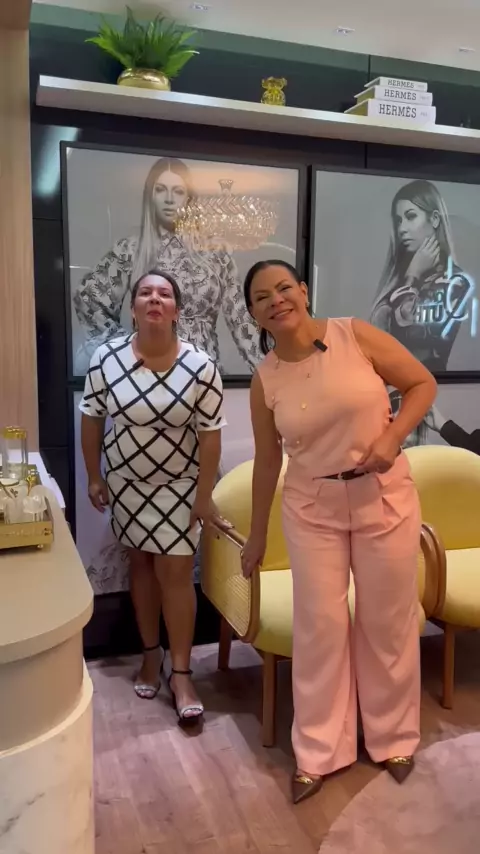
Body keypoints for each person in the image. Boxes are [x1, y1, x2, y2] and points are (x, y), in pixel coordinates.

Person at [240, 260, 437, 804]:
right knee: (320, 627)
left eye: (284, 288)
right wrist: (256, 535)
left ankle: (393, 737)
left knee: (387, 620)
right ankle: (319, 750)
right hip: (312, 508)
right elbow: (266, 462)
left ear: (304, 291)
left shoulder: (356, 335)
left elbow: (421, 383)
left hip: (383, 496)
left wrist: (393, 438)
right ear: (254, 314)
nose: (276, 300)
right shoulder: (265, 380)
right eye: (262, 297)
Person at [79, 269, 226, 723]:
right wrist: (94, 476)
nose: (155, 299)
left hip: (180, 487)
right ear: (133, 308)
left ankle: (181, 673)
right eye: (145, 293)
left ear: (177, 310)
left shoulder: (200, 366)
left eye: (164, 294)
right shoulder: (106, 358)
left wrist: (204, 496)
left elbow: (211, 436)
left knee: (176, 573)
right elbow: (92, 418)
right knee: (140, 565)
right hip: (126, 484)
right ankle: (150, 655)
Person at [73, 157, 260, 375]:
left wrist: (270, 374)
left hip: (203, 375)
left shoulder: (214, 253)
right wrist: (125, 349)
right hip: (146, 374)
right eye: (161, 190)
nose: (170, 199)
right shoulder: (132, 249)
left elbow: (242, 321)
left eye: (178, 191)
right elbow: (89, 299)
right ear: (150, 195)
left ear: (189, 197)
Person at [370, 179, 475, 372]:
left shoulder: (455, 282)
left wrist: (413, 275)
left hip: (431, 384)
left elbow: (408, 333)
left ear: (434, 219)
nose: (402, 229)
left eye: (410, 217)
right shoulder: (396, 277)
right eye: (398, 220)